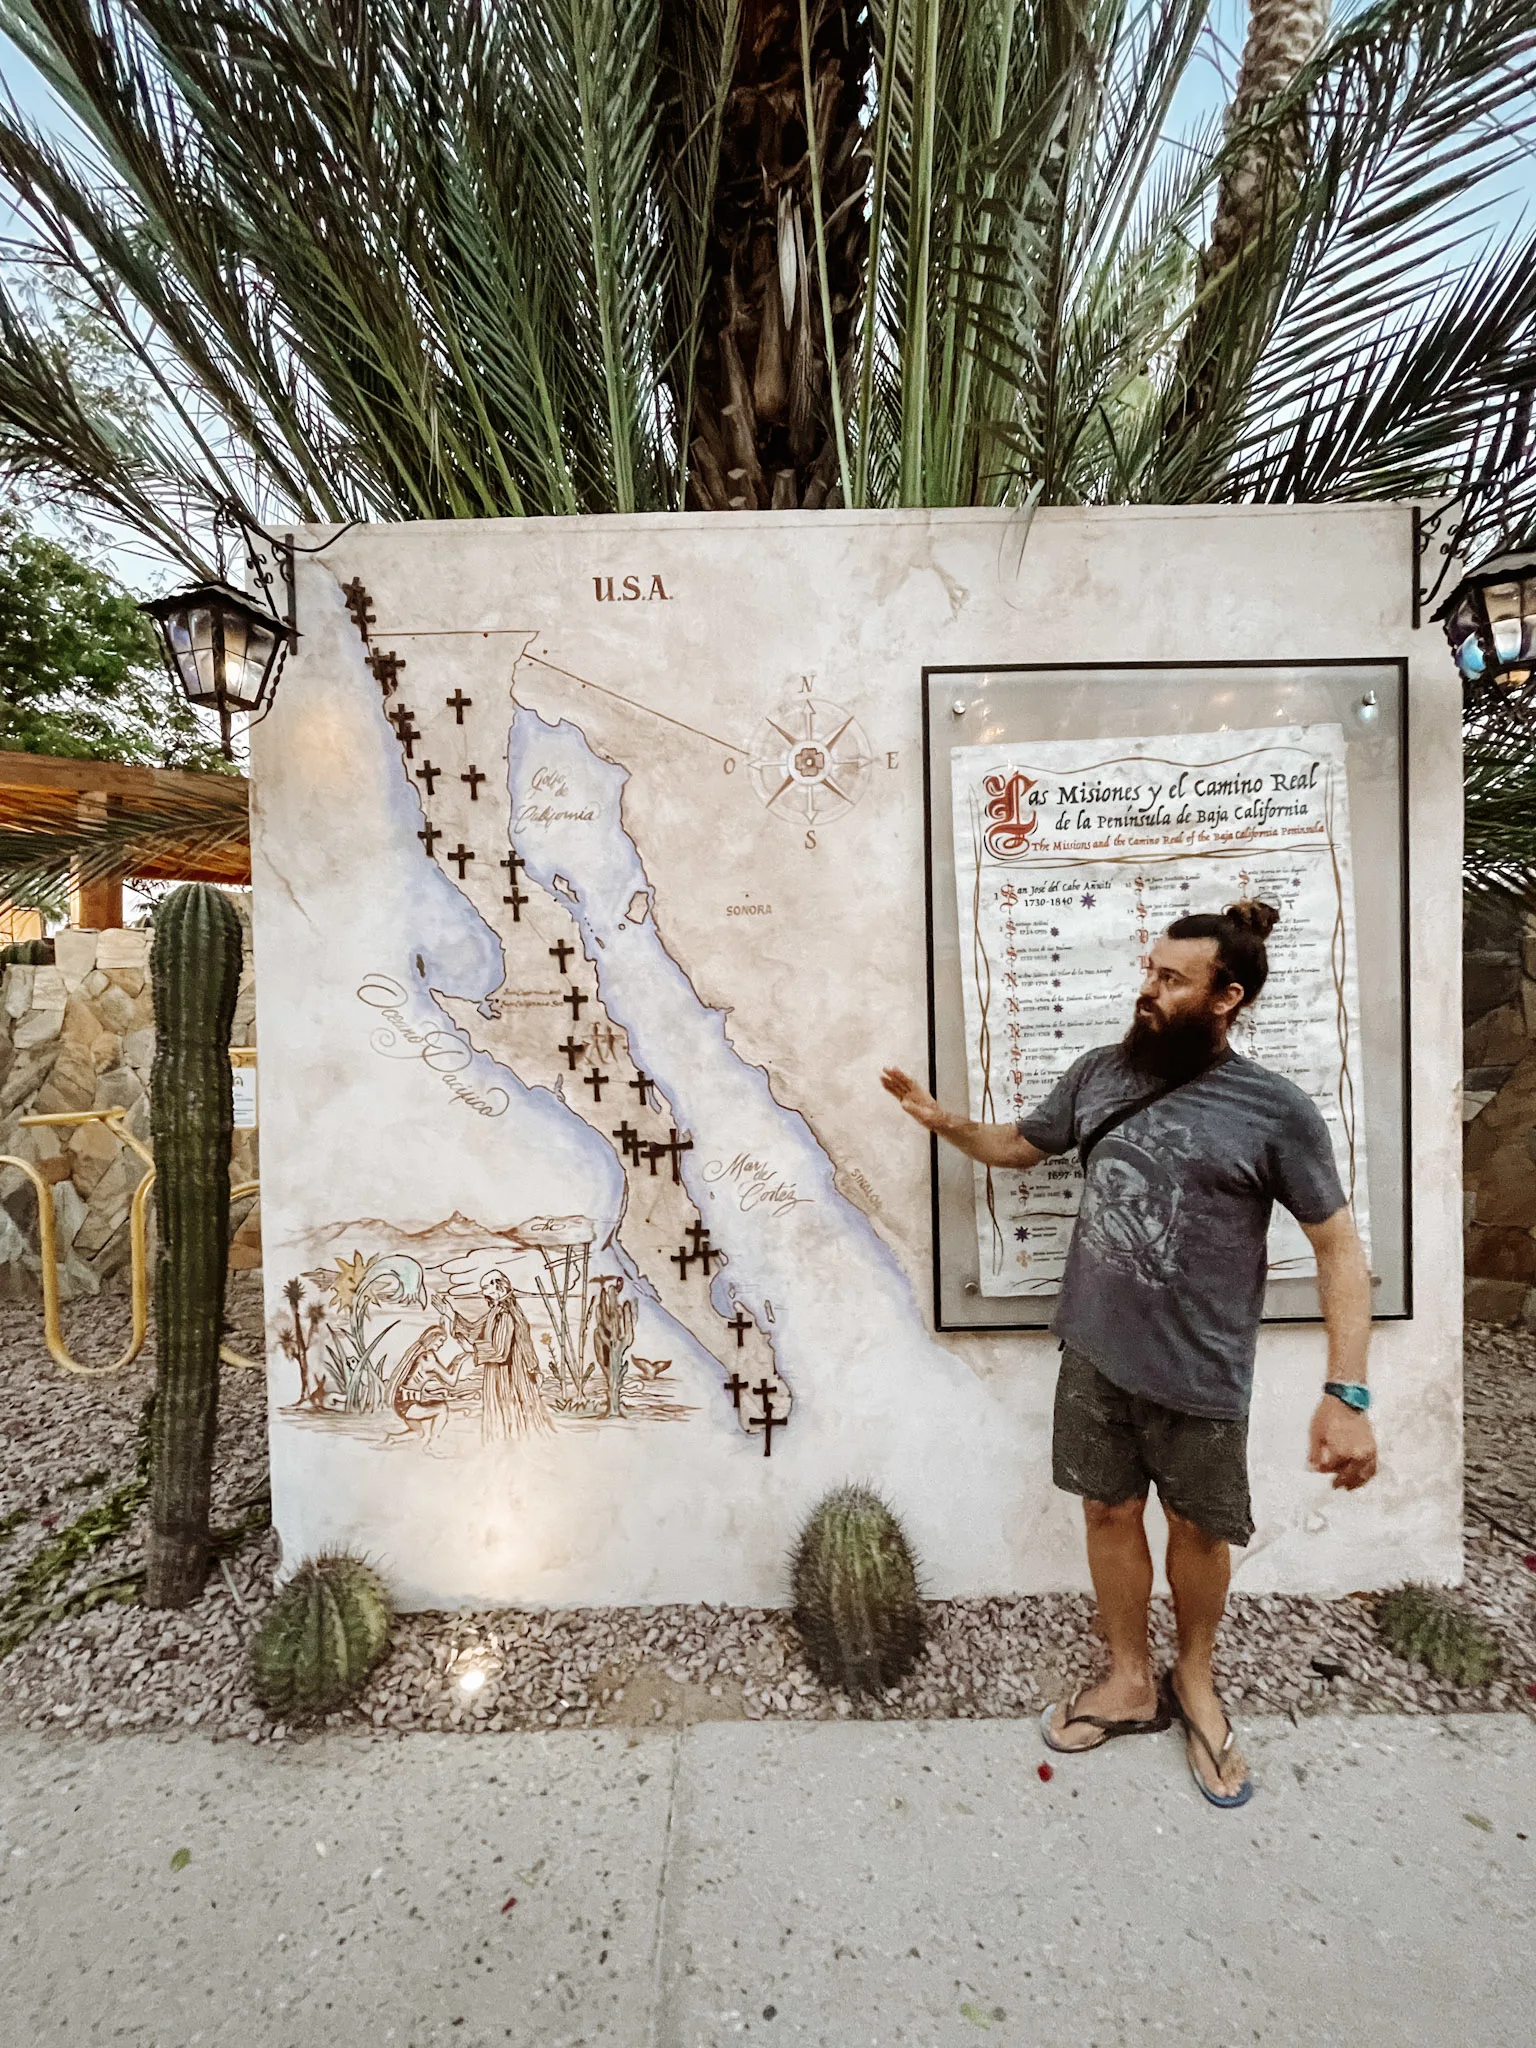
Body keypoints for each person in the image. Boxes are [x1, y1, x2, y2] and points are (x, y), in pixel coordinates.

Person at [882, 900, 1376, 1808]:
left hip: (1202, 1372)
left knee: (1199, 1530)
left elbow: (1339, 1249)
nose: (1147, 992)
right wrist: (940, 1118)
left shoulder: (1276, 1109)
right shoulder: (1101, 1075)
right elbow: (1017, 1147)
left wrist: (1347, 1392)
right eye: (1148, 972)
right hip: (1095, 1358)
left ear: (1227, 997)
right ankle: (1128, 1676)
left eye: (1172, 980)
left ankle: (1193, 1677)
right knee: (1107, 1513)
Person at [451, 1271, 554, 1443]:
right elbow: (474, 1330)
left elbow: (499, 1351)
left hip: (509, 1374)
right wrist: (450, 1315)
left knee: (511, 1417)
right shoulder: (497, 1310)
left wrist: (473, 1349)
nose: (483, 1293)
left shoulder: (506, 1313)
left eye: (485, 1287)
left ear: (498, 1286)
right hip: (501, 1373)